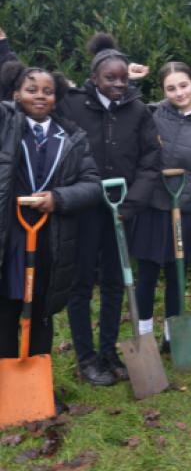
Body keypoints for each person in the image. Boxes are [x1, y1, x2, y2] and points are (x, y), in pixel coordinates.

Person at [56, 33, 161, 386]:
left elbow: (150, 161)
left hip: (122, 211)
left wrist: (131, 205)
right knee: (81, 283)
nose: (118, 84)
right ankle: (86, 357)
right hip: (84, 210)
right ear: (94, 78)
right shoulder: (72, 104)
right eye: (110, 78)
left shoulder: (139, 110)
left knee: (116, 282)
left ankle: (109, 352)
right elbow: (31, 91)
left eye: (123, 79)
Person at [0, 60, 102, 412]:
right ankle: (8, 388)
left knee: (41, 311)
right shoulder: (5, 126)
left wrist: (58, 199)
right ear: (15, 94)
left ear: (57, 98)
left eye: (47, 91)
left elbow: (92, 186)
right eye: (31, 90)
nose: (39, 96)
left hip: (50, 237)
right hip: (9, 236)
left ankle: (40, 387)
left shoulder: (71, 139)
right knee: (7, 310)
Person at [129, 61, 191, 351]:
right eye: (171, 88)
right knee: (145, 274)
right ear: (163, 91)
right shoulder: (151, 114)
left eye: (183, 85)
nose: (179, 92)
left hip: (185, 212)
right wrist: (130, 83)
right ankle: (143, 334)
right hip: (151, 207)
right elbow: (123, 115)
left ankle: (171, 336)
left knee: (175, 274)